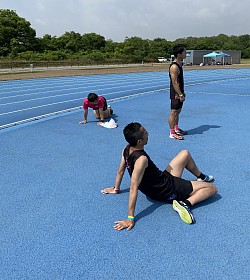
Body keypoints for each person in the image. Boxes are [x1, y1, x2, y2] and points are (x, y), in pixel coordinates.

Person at [101, 122, 217, 230]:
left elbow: (120, 171)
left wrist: (116, 189)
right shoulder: (141, 159)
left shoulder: (126, 149)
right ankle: (185, 204)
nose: (148, 135)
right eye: (145, 133)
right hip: (166, 190)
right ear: (139, 141)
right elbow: (133, 187)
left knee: (184, 154)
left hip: (161, 180)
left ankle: (201, 176)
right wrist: (130, 218)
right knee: (212, 188)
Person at [168, 44, 187, 140]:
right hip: (176, 93)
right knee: (173, 112)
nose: (186, 54)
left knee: (178, 111)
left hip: (180, 92)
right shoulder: (174, 67)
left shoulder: (179, 64)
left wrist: (182, 93)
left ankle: (176, 129)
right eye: (185, 52)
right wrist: (180, 94)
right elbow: (175, 82)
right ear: (179, 54)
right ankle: (172, 133)